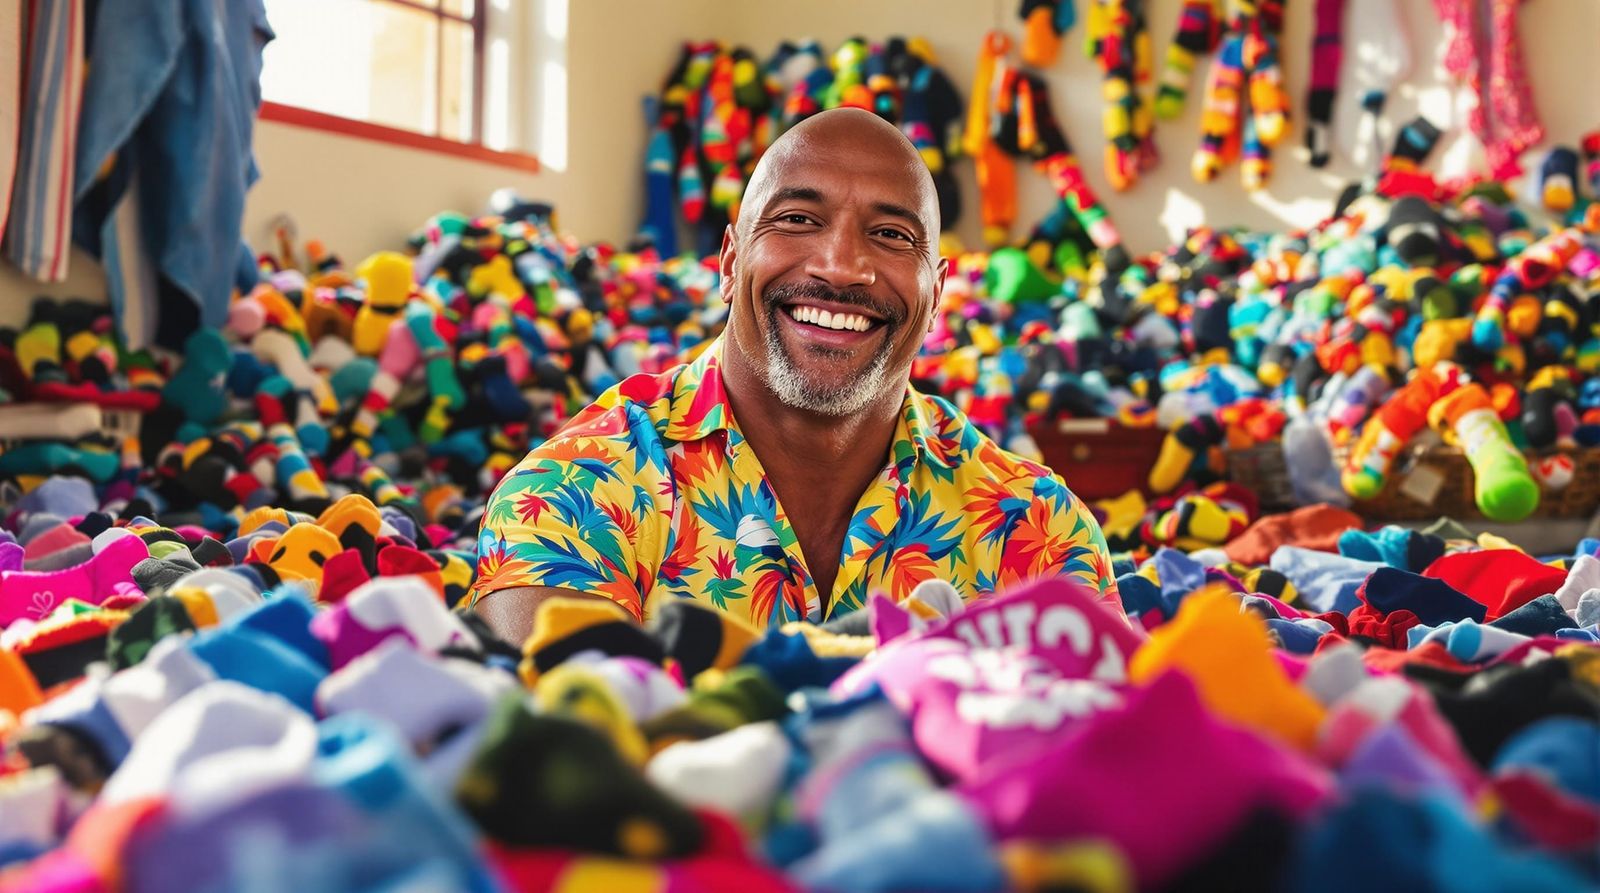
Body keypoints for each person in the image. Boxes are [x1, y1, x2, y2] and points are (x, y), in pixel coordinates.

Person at [470, 107, 1117, 643]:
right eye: (798, 219)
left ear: (937, 292)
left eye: (892, 234)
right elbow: (561, 762)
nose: (841, 267)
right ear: (728, 262)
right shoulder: (574, 495)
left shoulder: (1034, 529)